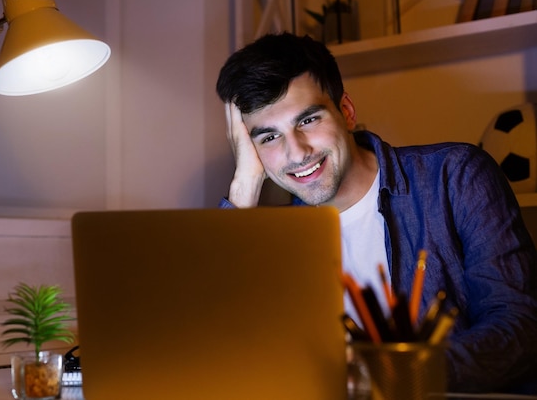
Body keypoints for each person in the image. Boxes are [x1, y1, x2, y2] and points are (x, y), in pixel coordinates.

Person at [215, 32, 537, 393]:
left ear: (346, 112)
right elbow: (217, 346)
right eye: (268, 137)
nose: (297, 152)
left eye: (307, 121)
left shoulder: (457, 176)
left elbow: (519, 328)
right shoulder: (277, 242)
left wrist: (393, 373)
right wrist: (242, 188)